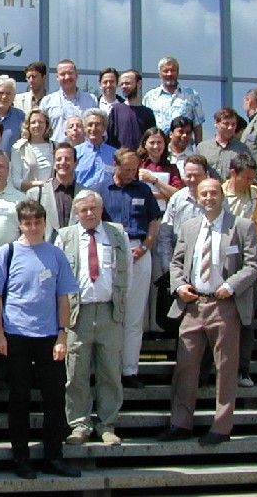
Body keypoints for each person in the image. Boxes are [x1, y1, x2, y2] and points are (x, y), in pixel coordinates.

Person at [158, 178, 257, 445]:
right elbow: (177, 262)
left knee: (226, 368)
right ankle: (181, 423)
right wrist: (179, 286)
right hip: (193, 306)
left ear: (222, 195)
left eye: (214, 193)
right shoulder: (190, 227)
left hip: (225, 305)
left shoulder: (241, 226)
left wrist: (231, 286)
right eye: (204, 194)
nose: (209, 197)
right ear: (198, 197)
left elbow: (253, 265)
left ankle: (221, 426)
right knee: (185, 366)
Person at [0, 199, 80, 479]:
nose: (33, 227)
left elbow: (63, 297)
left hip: (49, 335)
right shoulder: (8, 252)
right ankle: (21, 458)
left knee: (54, 398)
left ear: (44, 223)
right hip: (16, 334)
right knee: (19, 398)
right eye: (27, 223)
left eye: (37, 222)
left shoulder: (55, 254)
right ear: (20, 224)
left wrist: (63, 333)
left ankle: (54, 456)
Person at [56, 189, 130, 447]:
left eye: (93, 209)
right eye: (83, 210)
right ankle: (79, 424)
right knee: (76, 372)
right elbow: (58, 277)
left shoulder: (117, 233)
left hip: (110, 312)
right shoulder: (65, 237)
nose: (89, 213)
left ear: (101, 210)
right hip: (78, 314)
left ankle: (107, 424)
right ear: (76, 213)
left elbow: (127, 270)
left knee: (110, 371)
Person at [98, 148, 161, 389]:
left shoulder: (143, 189)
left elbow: (154, 220)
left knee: (135, 315)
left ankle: (130, 369)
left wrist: (145, 247)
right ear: (115, 165)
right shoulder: (101, 189)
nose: (131, 173)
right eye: (126, 169)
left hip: (139, 250)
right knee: (111, 313)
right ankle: (107, 368)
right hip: (111, 252)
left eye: (134, 169)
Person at [222, 153, 257, 386]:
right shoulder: (219, 194)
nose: (251, 182)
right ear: (234, 173)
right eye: (247, 178)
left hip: (250, 266)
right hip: (221, 263)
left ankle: (242, 369)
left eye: (253, 178)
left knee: (246, 319)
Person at [142, 56, 206, 144]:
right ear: (159, 74)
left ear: (178, 72)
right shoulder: (150, 97)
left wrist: (199, 150)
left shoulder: (191, 95)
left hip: (184, 150)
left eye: (173, 70)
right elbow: (145, 128)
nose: (169, 74)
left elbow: (197, 126)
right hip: (158, 150)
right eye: (165, 71)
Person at [27, 142, 80, 243]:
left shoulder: (86, 194)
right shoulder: (36, 194)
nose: (63, 162)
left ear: (75, 163)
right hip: (46, 254)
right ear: (54, 163)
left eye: (67, 159)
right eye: (59, 159)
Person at [41, 59, 97, 144]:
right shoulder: (47, 102)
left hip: (85, 152)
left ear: (76, 75)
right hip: (56, 153)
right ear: (57, 77)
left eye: (70, 73)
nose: (67, 77)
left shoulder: (91, 100)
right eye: (62, 74)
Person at [197, 108, 253, 181]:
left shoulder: (242, 149)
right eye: (226, 124)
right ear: (216, 123)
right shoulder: (202, 148)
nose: (230, 128)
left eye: (233, 124)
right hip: (210, 190)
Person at [108, 69, 156, 150]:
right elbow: (110, 139)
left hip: (142, 160)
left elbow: (152, 138)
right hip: (121, 159)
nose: (123, 86)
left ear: (139, 84)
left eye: (127, 83)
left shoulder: (147, 113)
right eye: (122, 84)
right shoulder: (115, 111)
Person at [137, 127, 183, 210]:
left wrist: (154, 180)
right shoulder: (138, 165)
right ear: (145, 144)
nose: (156, 146)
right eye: (152, 142)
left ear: (165, 144)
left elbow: (177, 195)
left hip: (165, 215)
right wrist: (164, 195)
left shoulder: (172, 168)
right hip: (141, 213)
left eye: (159, 142)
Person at [11, 108, 54, 191]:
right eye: (33, 122)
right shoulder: (19, 148)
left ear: (47, 125)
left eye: (41, 122)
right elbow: (16, 182)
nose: (37, 125)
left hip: (51, 197)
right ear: (28, 126)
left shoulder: (55, 146)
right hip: (29, 198)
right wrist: (42, 184)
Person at [75, 108, 117, 190]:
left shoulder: (114, 154)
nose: (93, 129)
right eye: (90, 125)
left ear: (104, 128)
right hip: (82, 198)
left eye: (97, 125)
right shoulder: (75, 152)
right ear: (84, 128)